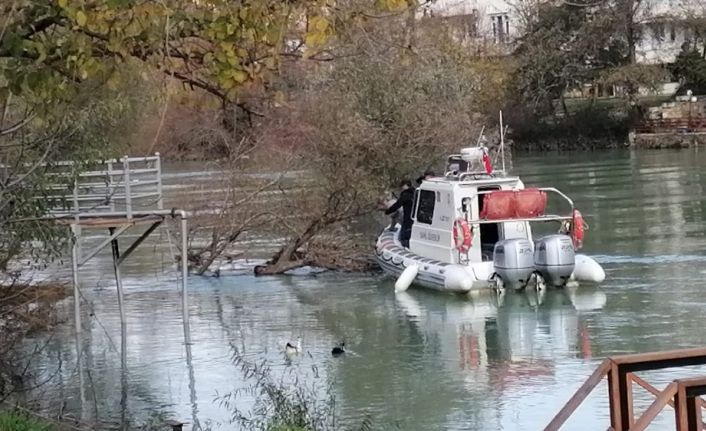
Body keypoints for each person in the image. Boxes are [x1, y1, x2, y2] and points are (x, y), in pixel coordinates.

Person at [385, 180, 414, 248]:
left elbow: (398, 205)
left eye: (402, 186)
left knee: (404, 236)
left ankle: (406, 247)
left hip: (408, 217)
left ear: (405, 185)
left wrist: (388, 211)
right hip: (414, 217)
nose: (401, 188)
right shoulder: (415, 192)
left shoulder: (406, 194)